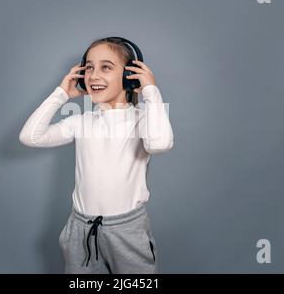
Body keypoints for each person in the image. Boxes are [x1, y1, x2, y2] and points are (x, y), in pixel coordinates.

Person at [19, 36, 174, 273]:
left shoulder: (143, 120)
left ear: (128, 76)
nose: (93, 75)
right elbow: (30, 136)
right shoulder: (81, 122)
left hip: (126, 231)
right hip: (81, 228)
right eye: (88, 67)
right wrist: (61, 94)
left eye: (106, 67)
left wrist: (151, 91)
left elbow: (160, 143)